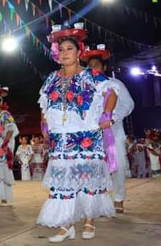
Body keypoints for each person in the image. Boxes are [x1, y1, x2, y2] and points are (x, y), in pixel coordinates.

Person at [37, 24, 116, 242]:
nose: (64, 53)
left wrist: (106, 114)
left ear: (79, 52)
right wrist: (44, 124)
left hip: (87, 137)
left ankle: (89, 220)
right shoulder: (51, 78)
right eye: (61, 50)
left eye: (69, 49)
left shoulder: (92, 75)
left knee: (86, 179)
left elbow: (111, 93)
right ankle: (66, 225)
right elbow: (44, 104)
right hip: (60, 139)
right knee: (63, 182)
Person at [82, 44, 135, 213]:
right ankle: (98, 199)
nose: (93, 69)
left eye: (96, 65)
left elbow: (128, 104)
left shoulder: (114, 83)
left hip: (112, 131)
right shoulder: (84, 87)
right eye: (90, 66)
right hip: (91, 134)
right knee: (93, 167)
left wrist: (111, 119)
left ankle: (118, 198)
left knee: (116, 164)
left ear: (104, 67)